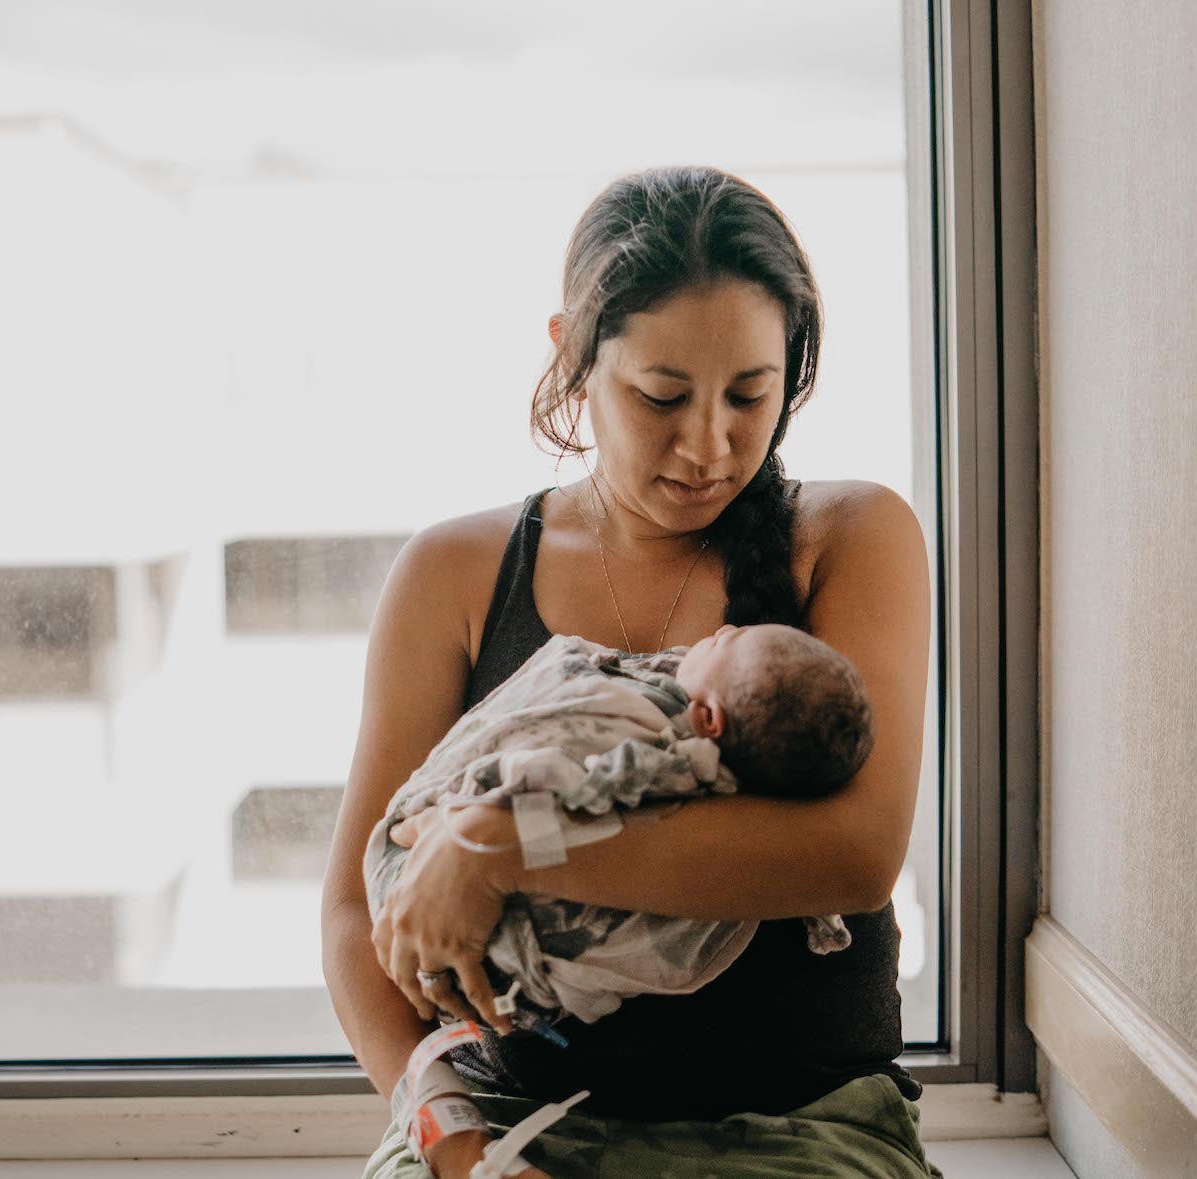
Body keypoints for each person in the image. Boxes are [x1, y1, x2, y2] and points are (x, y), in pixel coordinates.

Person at [319, 166, 936, 1179]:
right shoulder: (456, 572)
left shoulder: (850, 536)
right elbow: (357, 909)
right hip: (504, 1121)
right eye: (661, 396)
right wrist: (450, 1138)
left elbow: (852, 854)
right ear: (570, 358)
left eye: (751, 394)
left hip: (798, 1125)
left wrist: (505, 844)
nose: (709, 445)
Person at [362, 624, 872, 1034]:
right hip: (466, 1026)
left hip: (454, 908)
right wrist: (436, 1116)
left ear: (707, 718)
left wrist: (483, 835)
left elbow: (572, 789)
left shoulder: (649, 753)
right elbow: (344, 914)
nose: (725, 628)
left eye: (727, 640)